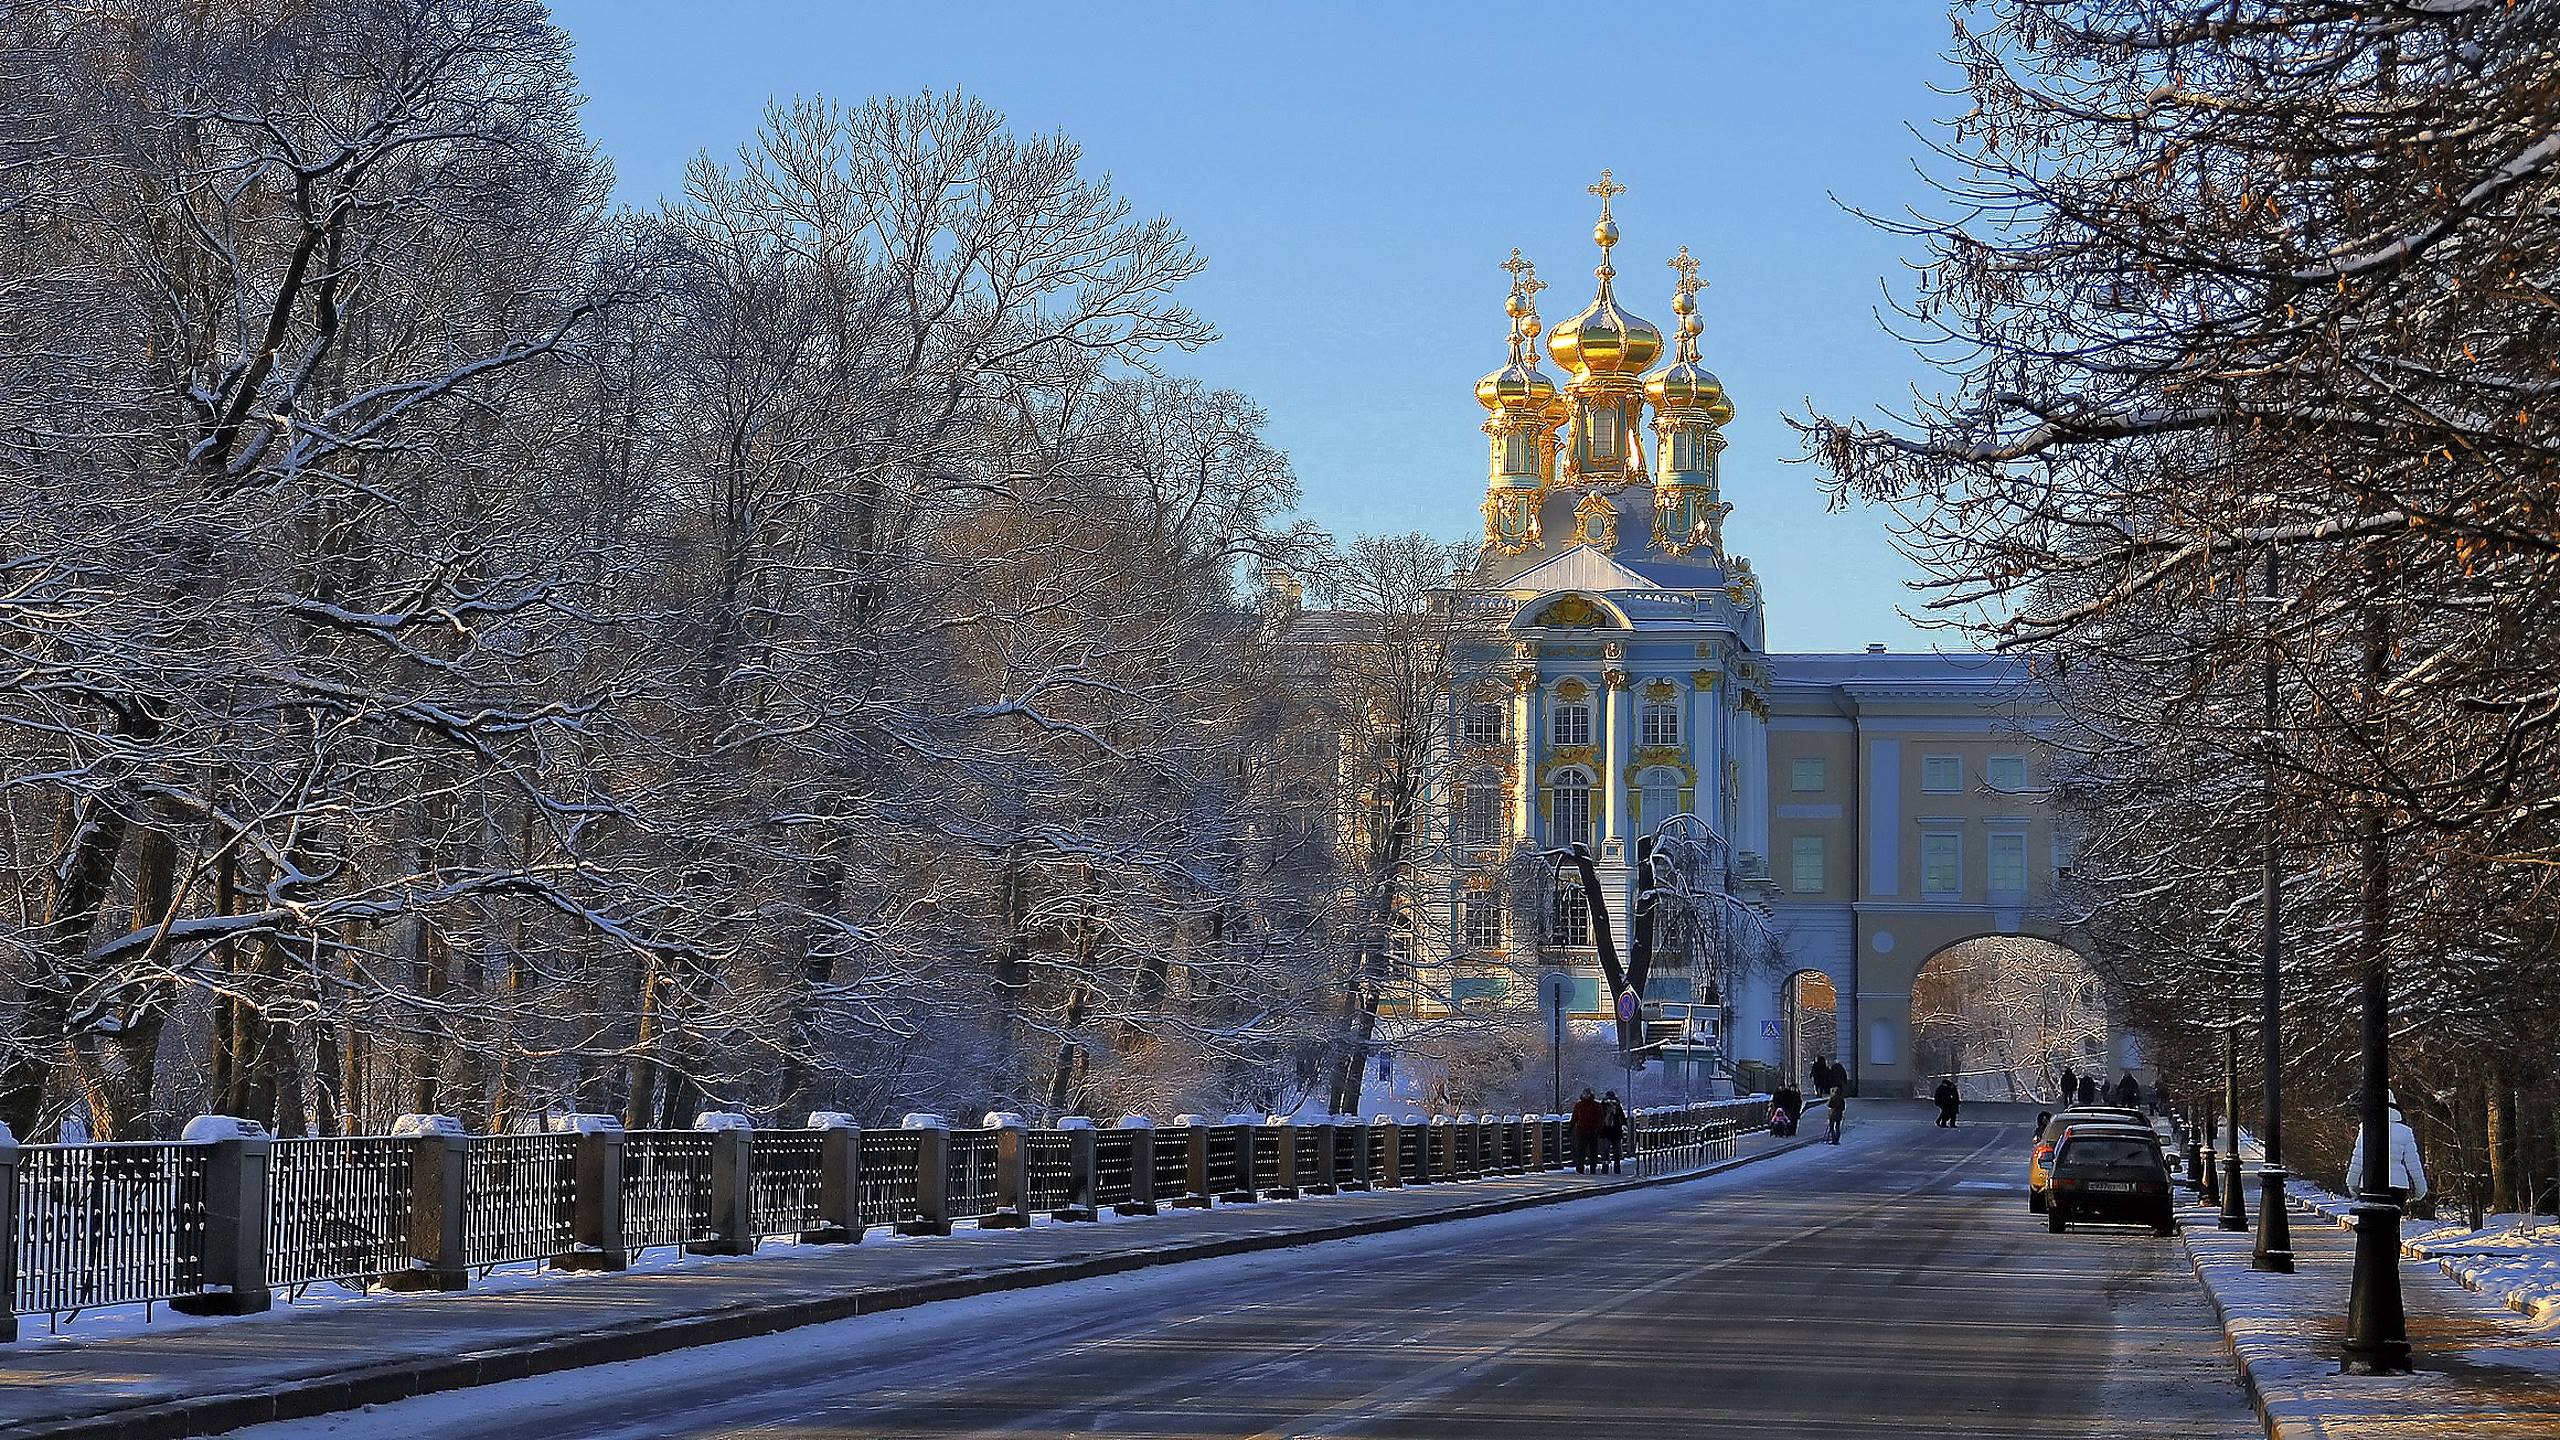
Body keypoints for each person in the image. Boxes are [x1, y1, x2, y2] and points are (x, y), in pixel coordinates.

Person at [2344, 1090, 2430, 1207]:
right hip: (2398, 1185)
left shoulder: (2366, 1129)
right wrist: (2420, 1188)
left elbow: (2358, 1159)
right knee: (2392, 1220)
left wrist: (2352, 1184)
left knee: (2372, 1221)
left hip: (2371, 1183)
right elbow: (2413, 1163)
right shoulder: (2405, 1131)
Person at [1569, 1088, 1602, 1174]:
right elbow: (1574, 1117)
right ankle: (1580, 1167)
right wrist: (1571, 1127)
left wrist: (1598, 1129)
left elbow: (1600, 1118)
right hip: (1582, 1131)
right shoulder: (1579, 1105)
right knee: (1581, 1150)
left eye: (1587, 1094)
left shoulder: (1596, 1105)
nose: (1586, 1096)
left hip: (1592, 1131)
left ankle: (1592, 1168)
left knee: (1593, 1151)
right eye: (1585, 1094)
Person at [1599, 1090, 1628, 1174]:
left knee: (1614, 1150)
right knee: (1607, 1150)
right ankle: (1609, 1167)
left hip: (1611, 1131)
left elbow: (1621, 1116)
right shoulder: (1604, 1106)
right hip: (1610, 1131)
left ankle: (1614, 1166)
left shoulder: (1616, 1106)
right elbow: (1622, 1117)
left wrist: (1623, 1124)